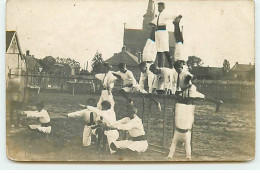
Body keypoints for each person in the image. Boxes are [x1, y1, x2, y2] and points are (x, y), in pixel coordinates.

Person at [150, 2, 182, 68]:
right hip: (157, 32)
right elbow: (153, 22)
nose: (158, 8)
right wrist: (150, 24)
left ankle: (171, 65)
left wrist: (178, 15)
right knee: (159, 50)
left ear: (163, 7)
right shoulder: (158, 16)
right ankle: (159, 66)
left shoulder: (164, 14)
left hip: (163, 32)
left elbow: (171, 16)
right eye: (158, 7)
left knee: (165, 49)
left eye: (160, 7)